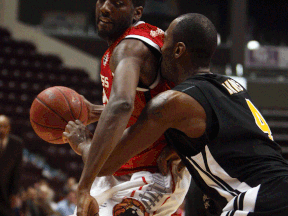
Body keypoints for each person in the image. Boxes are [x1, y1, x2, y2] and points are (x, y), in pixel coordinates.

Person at [65, 13, 288, 215]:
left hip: (260, 199)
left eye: (165, 43)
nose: (160, 49)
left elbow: (108, 163)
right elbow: (226, 136)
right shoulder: (231, 87)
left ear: (178, 50)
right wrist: (178, 147)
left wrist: (83, 143)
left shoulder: (171, 103)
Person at [63, 0, 191, 215]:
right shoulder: (133, 42)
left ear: (136, 12)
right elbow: (149, 108)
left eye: (117, 3)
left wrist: (85, 162)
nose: (104, 8)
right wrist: (94, 111)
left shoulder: (131, 47)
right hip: (121, 170)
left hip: (151, 174)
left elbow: (122, 105)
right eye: (101, 0)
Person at [0, 115, 24, 216]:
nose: (1, 129)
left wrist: (15, 193)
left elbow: (17, 170)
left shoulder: (17, 144)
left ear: (9, 127)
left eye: (4, 126)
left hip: (7, 191)